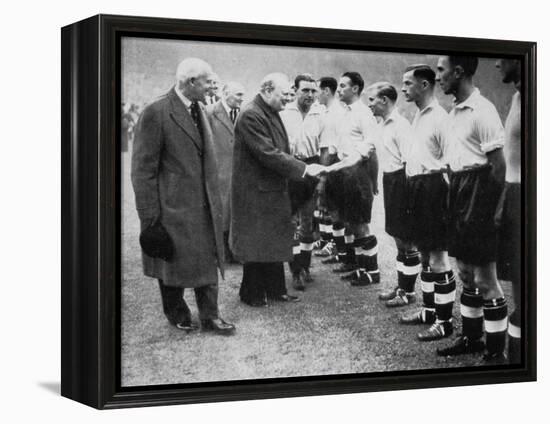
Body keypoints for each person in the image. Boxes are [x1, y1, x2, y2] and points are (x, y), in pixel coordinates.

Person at [131, 58, 235, 335]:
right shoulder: (156, 111)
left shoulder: (199, 108)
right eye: (207, 82)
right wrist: (151, 218)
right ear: (191, 83)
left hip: (204, 207)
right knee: (171, 263)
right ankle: (177, 313)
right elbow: (143, 170)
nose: (211, 87)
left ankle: (211, 315)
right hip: (171, 209)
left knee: (207, 260)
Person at [230, 73, 325, 307]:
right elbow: (267, 153)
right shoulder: (251, 114)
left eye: (291, 95)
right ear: (268, 90)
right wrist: (303, 169)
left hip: (270, 187)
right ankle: (251, 293)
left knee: (273, 240)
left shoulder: (268, 110)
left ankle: (275, 289)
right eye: (285, 95)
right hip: (256, 191)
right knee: (257, 242)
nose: (288, 100)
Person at [435, 56, 507, 360]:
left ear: (459, 71)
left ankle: (494, 352)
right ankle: (472, 338)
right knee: (464, 272)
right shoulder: (454, 111)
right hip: (460, 191)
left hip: (480, 193)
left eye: (441, 70)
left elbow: (499, 167)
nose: (439, 76)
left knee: (485, 279)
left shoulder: (483, 110)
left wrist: (492, 210)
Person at [393, 65, 457, 341]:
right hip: (416, 188)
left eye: (408, 83)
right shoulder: (419, 114)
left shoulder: (441, 118)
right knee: (424, 255)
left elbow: (454, 163)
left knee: (439, 258)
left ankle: (445, 321)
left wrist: (445, 192)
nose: (404, 88)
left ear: (425, 84)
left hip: (434, 190)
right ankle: (430, 311)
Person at [364, 82, 423, 309]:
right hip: (391, 181)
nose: (369, 104)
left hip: (403, 181)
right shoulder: (381, 125)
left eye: (372, 100)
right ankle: (402, 287)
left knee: (406, 240)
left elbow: (410, 162)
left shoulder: (401, 125)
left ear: (385, 101)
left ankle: (408, 293)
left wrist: (408, 196)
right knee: (398, 239)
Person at [322, 72, 380, 286]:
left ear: (355, 89)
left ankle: (372, 271)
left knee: (361, 224)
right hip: (343, 171)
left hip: (358, 171)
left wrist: (372, 181)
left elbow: (371, 148)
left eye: (344, 86)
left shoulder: (364, 114)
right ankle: (359, 267)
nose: (339, 90)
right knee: (351, 222)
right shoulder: (343, 113)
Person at [280, 74, 324, 290]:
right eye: (305, 90)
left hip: (313, 167)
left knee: (307, 223)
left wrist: (322, 177)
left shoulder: (321, 113)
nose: (309, 95)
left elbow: (325, 148)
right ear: (295, 90)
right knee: (291, 223)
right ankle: (295, 270)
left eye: (313, 91)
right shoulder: (284, 113)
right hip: (290, 166)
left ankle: (305, 266)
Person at [495, 58, 522, 363]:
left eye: (504, 58)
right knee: (517, 285)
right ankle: (517, 361)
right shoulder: (517, 95)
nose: (498, 63)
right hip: (513, 193)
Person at [206, 82, 246, 263]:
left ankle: (233, 250)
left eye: (242, 95)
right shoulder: (209, 112)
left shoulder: (243, 113)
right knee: (220, 213)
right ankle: (219, 253)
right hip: (218, 171)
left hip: (237, 171)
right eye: (238, 94)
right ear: (225, 93)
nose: (241, 98)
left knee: (235, 213)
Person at [314, 77, 344, 259]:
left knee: (335, 208)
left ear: (326, 91)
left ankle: (337, 245)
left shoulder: (335, 113)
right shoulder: (327, 111)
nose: (315, 94)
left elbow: (328, 147)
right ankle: (332, 242)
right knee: (327, 206)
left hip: (333, 163)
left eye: (317, 90)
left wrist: (323, 175)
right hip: (330, 162)